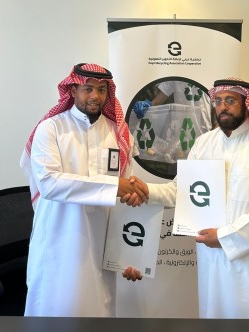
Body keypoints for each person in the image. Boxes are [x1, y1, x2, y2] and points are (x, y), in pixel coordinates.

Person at [128, 77, 249, 318]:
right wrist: (146, 191)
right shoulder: (204, 143)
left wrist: (223, 237)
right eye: (219, 101)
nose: (223, 107)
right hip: (213, 262)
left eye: (230, 100)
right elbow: (182, 190)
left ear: (246, 103)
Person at [19, 63, 151, 317]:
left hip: (102, 243)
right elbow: (49, 184)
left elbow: (126, 197)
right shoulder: (51, 128)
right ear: (72, 90)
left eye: (101, 90)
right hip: (58, 239)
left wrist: (130, 255)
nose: (95, 96)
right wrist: (114, 186)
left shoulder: (118, 132)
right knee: (54, 312)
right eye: (88, 88)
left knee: (98, 314)